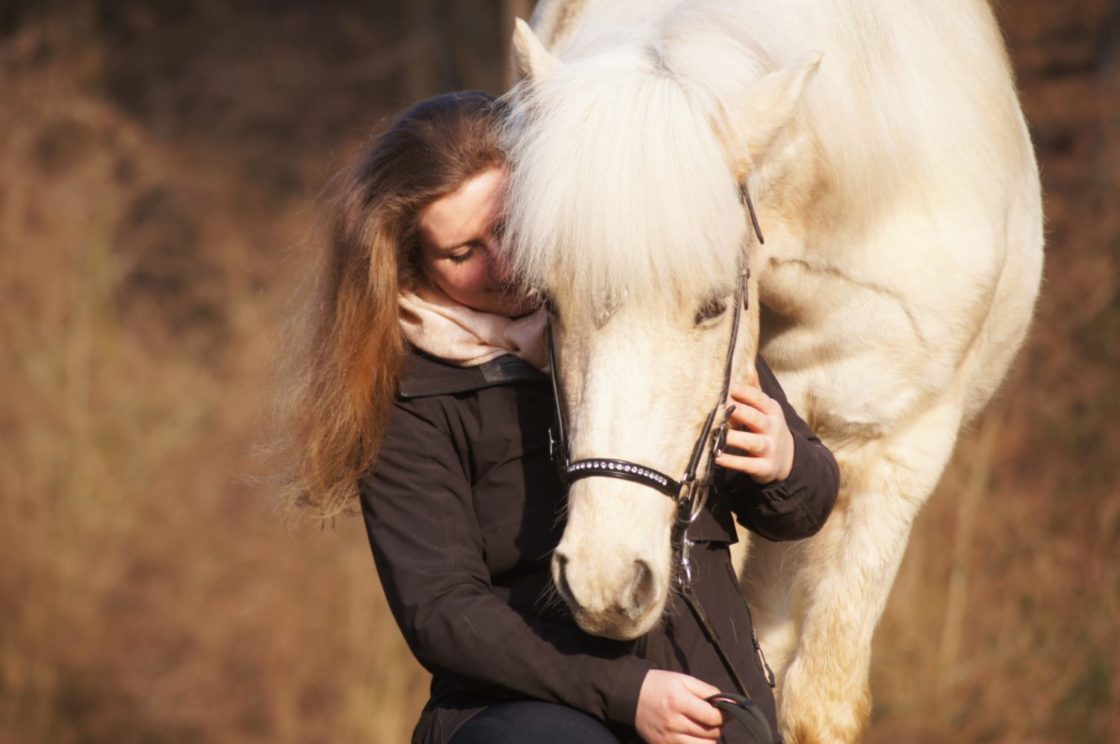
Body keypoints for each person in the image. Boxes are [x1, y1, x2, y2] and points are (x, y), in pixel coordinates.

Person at [279, 91, 839, 744]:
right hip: (521, 717)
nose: (505, 262)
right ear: (409, 264)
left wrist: (784, 461)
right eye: (464, 253)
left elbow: (800, 512)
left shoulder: (658, 297)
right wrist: (628, 695)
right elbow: (441, 613)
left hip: (706, 703)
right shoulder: (409, 396)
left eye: (512, 222)